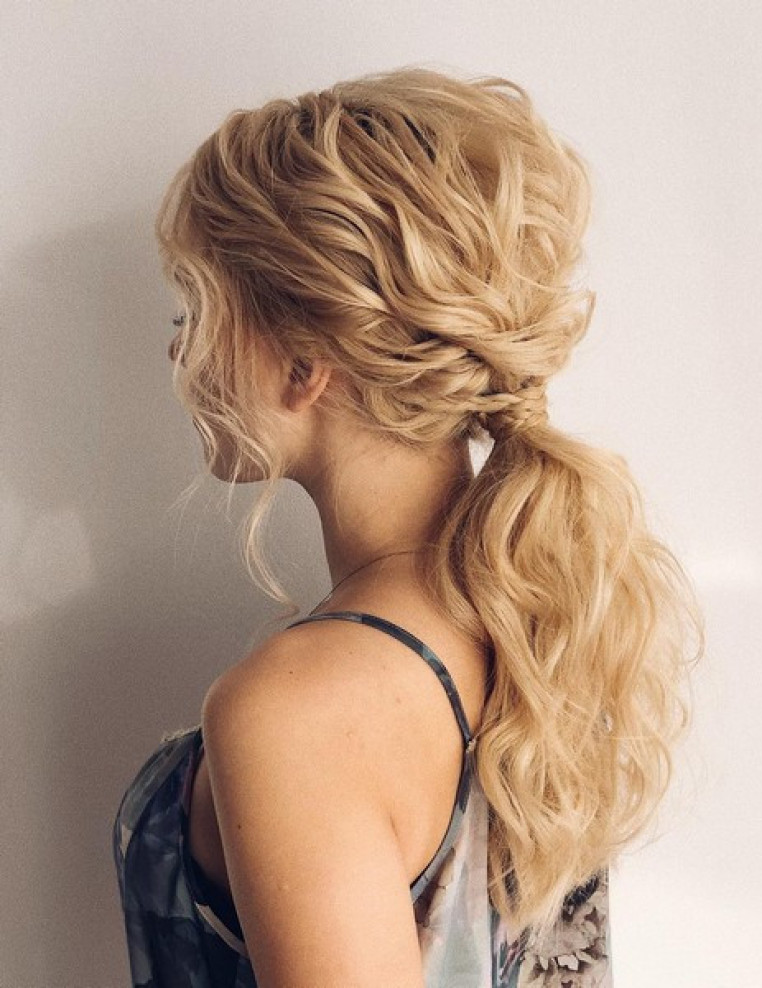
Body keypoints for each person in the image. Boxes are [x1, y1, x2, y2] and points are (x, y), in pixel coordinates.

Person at [112, 65, 705, 987]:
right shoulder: (539, 611)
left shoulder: (301, 709)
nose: (178, 347)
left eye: (196, 309)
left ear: (304, 361)